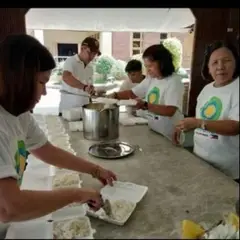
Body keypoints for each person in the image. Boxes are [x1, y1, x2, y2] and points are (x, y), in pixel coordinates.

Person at [0, 35, 117, 231]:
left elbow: (46, 150)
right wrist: (76, 194)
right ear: (17, 78)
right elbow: (8, 208)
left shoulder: (18, 114)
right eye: (40, 82)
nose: (44, 92)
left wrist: (95, 170)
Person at [173, 40, 239, 182]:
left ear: (236, 63)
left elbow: (235, 126)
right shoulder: (207, 89)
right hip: (201, 162)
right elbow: (200, 123)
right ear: (208, 67)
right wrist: (183, 127)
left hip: (228, 170)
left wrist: (198, 123)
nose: (221, 67)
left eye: (226, 61)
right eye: (215, 63)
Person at [108, 44, 184, 140]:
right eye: (146, 66)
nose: (148, 70)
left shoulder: (174, 81)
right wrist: (114, 95)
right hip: (154, 130)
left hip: (169, 133)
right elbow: (132, 93)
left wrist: (145, 105)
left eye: (151, 66)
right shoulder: (151, 79)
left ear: (162, 63)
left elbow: (170, 110)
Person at [59, 37, 101, 116]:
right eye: (90, 53)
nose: (92, 57)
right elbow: (67, 77)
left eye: (94, 54)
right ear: (82, 48)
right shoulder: (71, 61)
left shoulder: (90, 68)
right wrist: (84, 87)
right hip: (68, 111)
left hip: (84, 112)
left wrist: (92, 90)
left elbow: (87, 87)